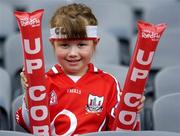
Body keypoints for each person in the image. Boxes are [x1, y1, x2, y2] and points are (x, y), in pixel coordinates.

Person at [17, 3, 145, 135]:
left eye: (81, 45)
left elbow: (119, 130)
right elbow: (30, 126)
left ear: (95, 43)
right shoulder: (44, 82)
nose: (73, 53)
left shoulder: (109, 83)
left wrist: (131, 111)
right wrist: (30, 93)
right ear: (53, 44)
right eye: (65, 45)